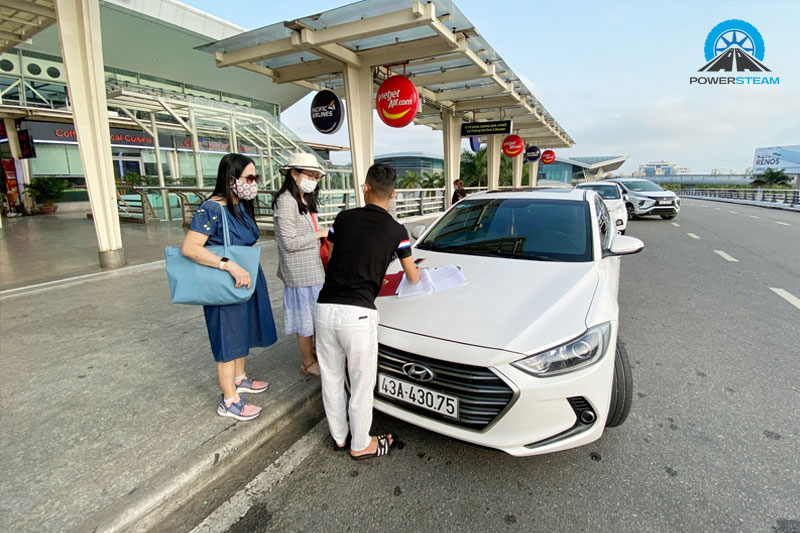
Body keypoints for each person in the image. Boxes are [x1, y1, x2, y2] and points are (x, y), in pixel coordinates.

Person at [314, 163, 422, 460]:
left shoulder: (342, 218)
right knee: (361, 385)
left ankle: (339, 437)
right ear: (393, 194)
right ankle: (360, 444)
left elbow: (334, 257)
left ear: (365, 187)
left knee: (332, 378)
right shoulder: (397, 231)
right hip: (358, 315)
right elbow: (412, 276)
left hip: (325, 308)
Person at [181, 153, 277, 421]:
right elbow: (190, 248)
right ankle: (229, 399)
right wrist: (228, 265)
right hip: (226, 280)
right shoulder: (211, 209)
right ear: (231, 179)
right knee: (227, 335)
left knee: (242, 330)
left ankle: (239, 378)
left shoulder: (240, 206)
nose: (253, 183)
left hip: (246, 277)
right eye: (249, 177)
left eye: (255, 178)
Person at [272, 153, 329, 377]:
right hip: (300, 274)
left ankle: (313, 354)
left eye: (316, 176)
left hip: (314, 270)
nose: (313, 179)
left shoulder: (304, 198)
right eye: (310, 175)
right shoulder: (286, 201)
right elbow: (288, 242)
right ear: (293, 173)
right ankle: (307, 362)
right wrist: (319, 234)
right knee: (305, 321)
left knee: (315, 319)